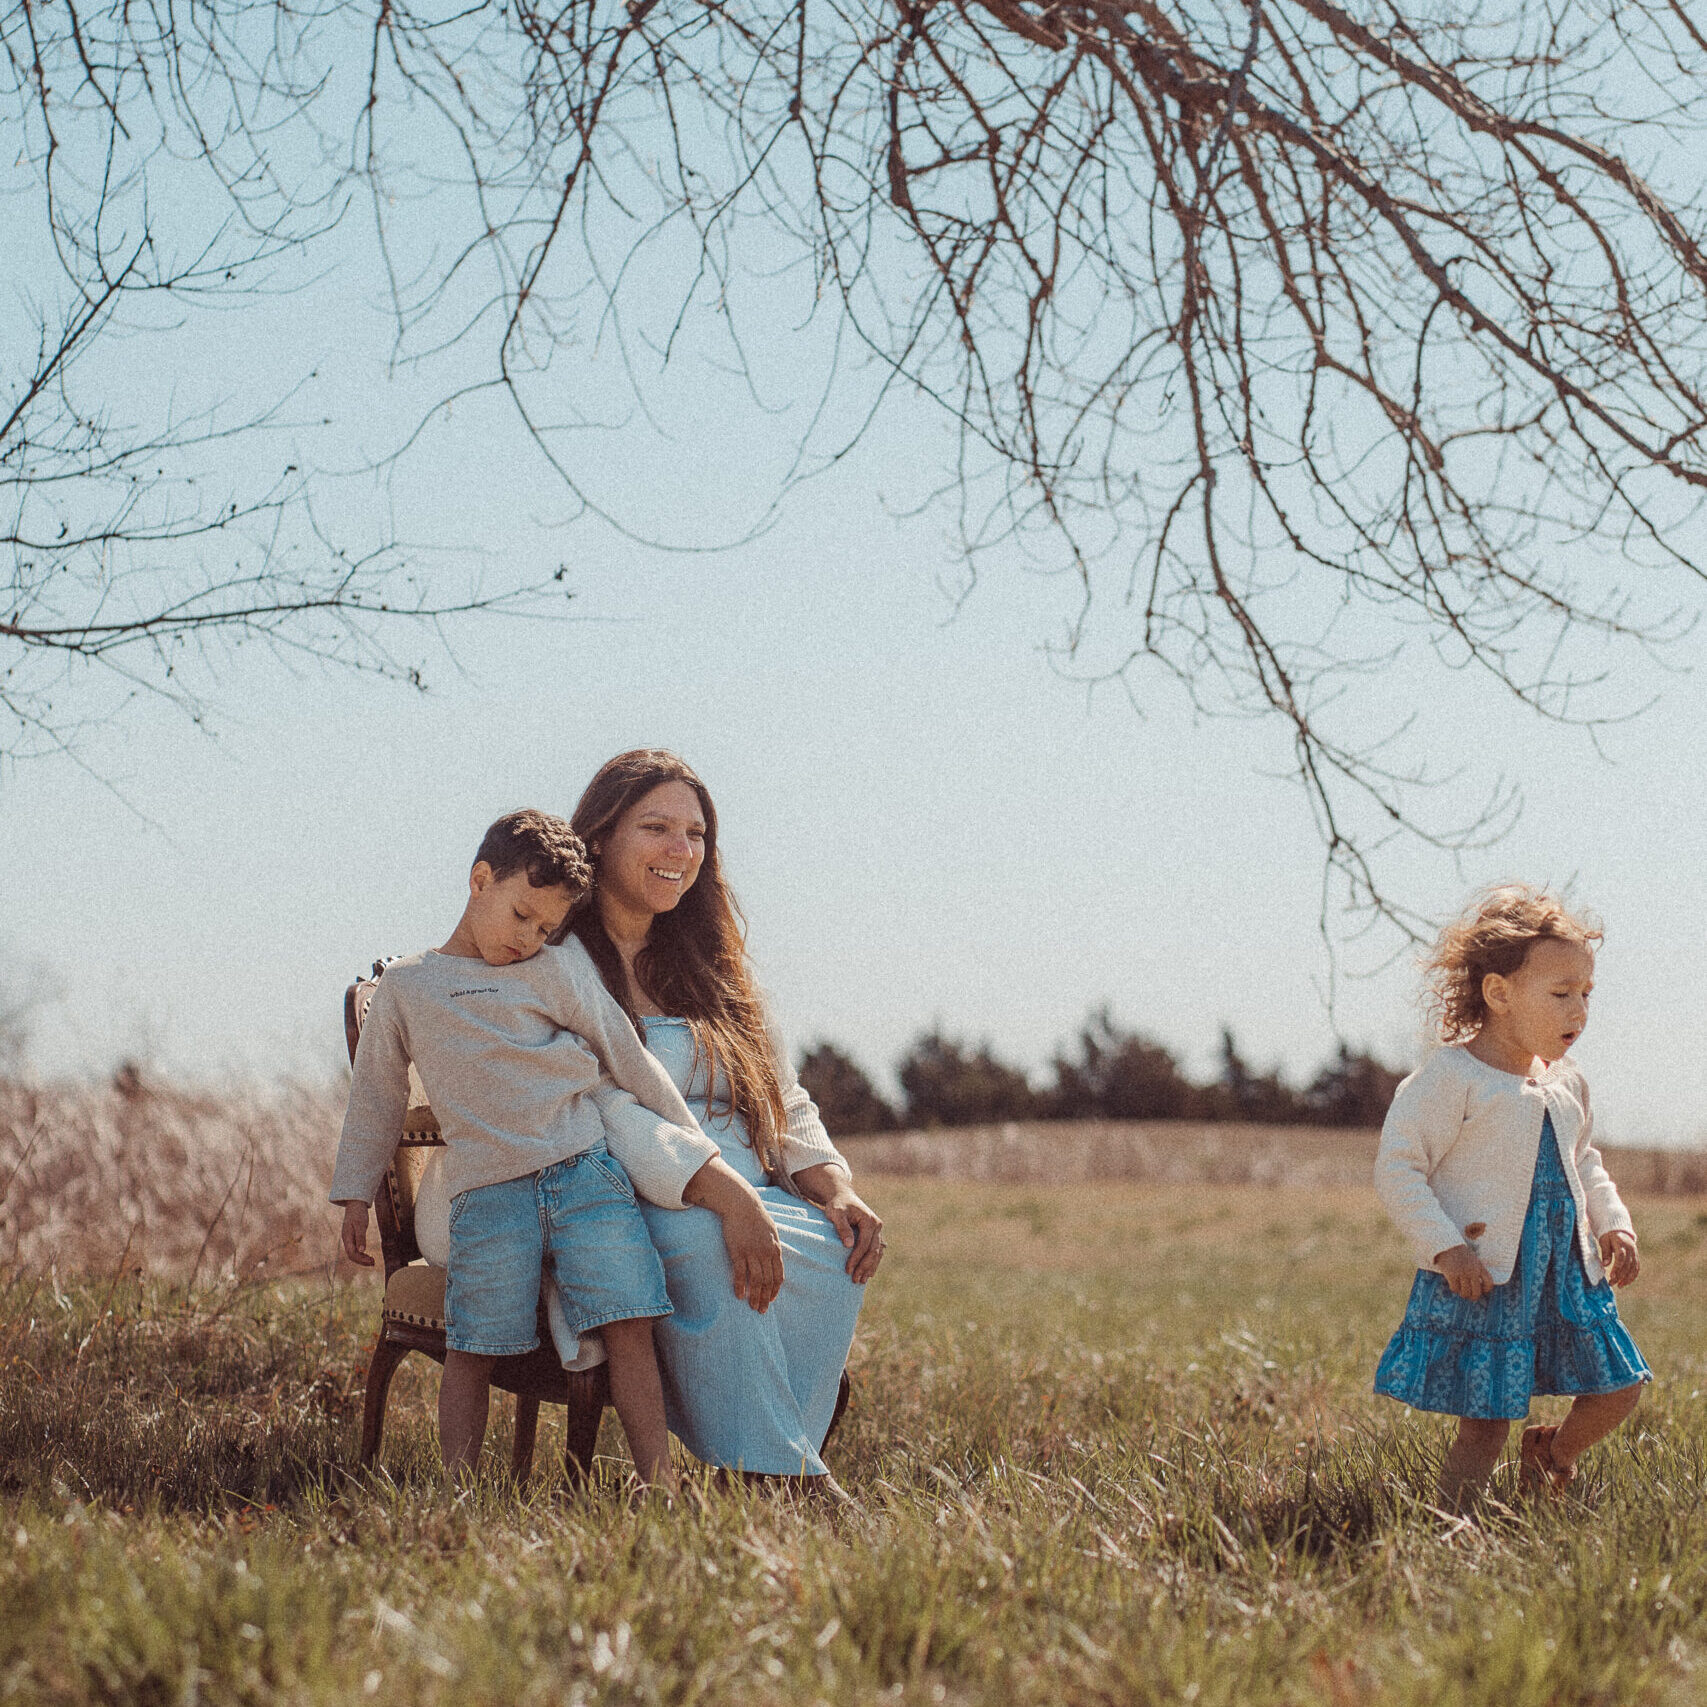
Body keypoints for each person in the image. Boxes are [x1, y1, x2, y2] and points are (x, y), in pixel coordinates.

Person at [330, 808, 729, 1492]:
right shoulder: (407, 985)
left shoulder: (555, 971)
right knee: (474, 1344)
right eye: (520, 915)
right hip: (488, 1192)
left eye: (545, 927)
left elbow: (625, 1055)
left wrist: (692, 1144)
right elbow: (376, 1095)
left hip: (584, 1173)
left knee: (631, 1317)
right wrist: (354, 1193)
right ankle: (456, 1494)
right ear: (479, 880)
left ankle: (658, 1484)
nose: (529, 938)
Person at [568, 750, 884, 1484]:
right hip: (634, 1186)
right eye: (655, 826)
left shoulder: (712, 959)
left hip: (753, 1180)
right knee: (715, 1245)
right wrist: (724, 1194)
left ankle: (769, 1458)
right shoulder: (562, 963)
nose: (680, 850)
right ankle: (778, 1475)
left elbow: (783, 1094)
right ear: (599, 836)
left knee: (841, 1252)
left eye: (696, 834)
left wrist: (834, 1185)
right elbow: (604, 1108)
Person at [1372, 884, 1650, 1511]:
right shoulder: (1451, 1078)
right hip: (1489, 1276)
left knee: (1620, 1387)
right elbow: (1399, 1168)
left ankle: (1552, 1454)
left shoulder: (1568, 1083)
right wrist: (1445, 1249)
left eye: (1586, 994)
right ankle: (1454, 1524)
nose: (1578, 1010)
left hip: (1565, 1274)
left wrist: (1616, 1224)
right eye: (1560, 994)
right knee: (1487, 1418)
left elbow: (1584, 1161)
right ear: (1499, 993)